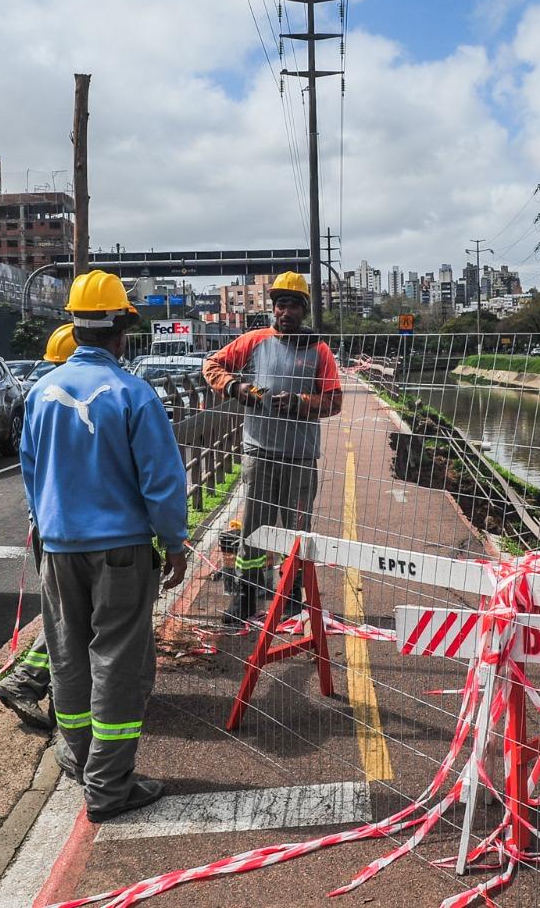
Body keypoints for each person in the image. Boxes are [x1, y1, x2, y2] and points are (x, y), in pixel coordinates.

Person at [21, 272, 189, 821]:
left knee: (68, 654)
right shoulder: (133, 393)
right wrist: (175, 543)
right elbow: (161, 481)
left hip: (58, 547)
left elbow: (30, 469)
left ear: (73, 323)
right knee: (118, 660)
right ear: (122, 330)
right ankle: (109, 785)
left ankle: (81, 761)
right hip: (121, 551)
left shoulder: (39, 393)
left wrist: (44, 523)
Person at [201, 271, 343, 625]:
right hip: (260, 451)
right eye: (281, 304)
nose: (286, 311)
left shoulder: (319, 351)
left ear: (304, 310)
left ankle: (293, 595)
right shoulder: (255, 341)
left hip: (300, 454)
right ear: (273, 308)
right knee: (254, 525)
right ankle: (247, 597)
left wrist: (299, 402)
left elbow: (334, 401)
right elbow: (211, 365)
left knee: (297, 525)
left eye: (294, 305)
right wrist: (237, 388)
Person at [0, 323, 77, 732]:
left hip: (48, 522)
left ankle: (31, 683)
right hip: (71, 530)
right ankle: (31, 684)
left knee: (63, 613)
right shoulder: (70, 402)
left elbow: (30, 466)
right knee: (70, 616)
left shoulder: (40, 397)